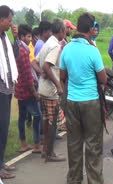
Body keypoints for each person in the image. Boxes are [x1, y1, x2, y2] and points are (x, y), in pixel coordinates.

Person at [60, 12, 113, 184]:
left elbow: (62, 76)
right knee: (93, 143)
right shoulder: (92, 50)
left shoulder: (66, 49)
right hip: (90, 102)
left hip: (72, 102)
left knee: (74, 142)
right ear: (91, 29)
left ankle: (73, 180)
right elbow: (102, 78)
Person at [36, 18, 66, 162]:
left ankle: (45, 150)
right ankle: (50, 153)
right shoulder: (55, 46)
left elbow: (34, 62)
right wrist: (58, 85)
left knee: (47, 120)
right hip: (50, 91)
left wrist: (41, 72)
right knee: (52, 122)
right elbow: (47, 66)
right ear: (61, 31)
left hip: (43, 88)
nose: (66, 32)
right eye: (65, 29)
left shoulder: (48, 42)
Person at [15, 24, 42, 154]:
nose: (30, 39)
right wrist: (34, 92)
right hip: (27, 90)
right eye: (28, 36)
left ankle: (24, 144)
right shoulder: (24, 51)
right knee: (37, 116)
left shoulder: (17, 48)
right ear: (21, 37)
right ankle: (37, 145)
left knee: (22, 117)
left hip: (19, 88)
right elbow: (27, 74)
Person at [0, 5, 20, 180]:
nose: (11, 24)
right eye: (9, 20)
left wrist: (16, 38)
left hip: (7, 88)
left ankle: (1, 162)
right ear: (1, 19)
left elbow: (15, 56)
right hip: (0, 89)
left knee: (4, 128)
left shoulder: (5, 37)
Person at [26, 27, 40, 128]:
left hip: (36, 77)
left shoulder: (38, 46)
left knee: (34, 100)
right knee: (31, 98)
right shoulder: (29, 48)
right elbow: (31, 63)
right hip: (31, 77)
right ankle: (29, 120)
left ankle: (31, 120)